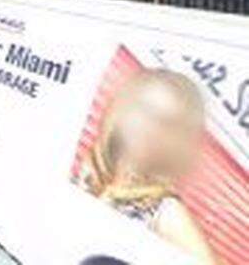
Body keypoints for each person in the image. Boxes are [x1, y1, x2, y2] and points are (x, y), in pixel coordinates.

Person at [76, 69, 218, 264]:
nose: (149, 128)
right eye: (144, 109)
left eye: (166, 123)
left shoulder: (164, 210)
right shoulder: (92, 174)